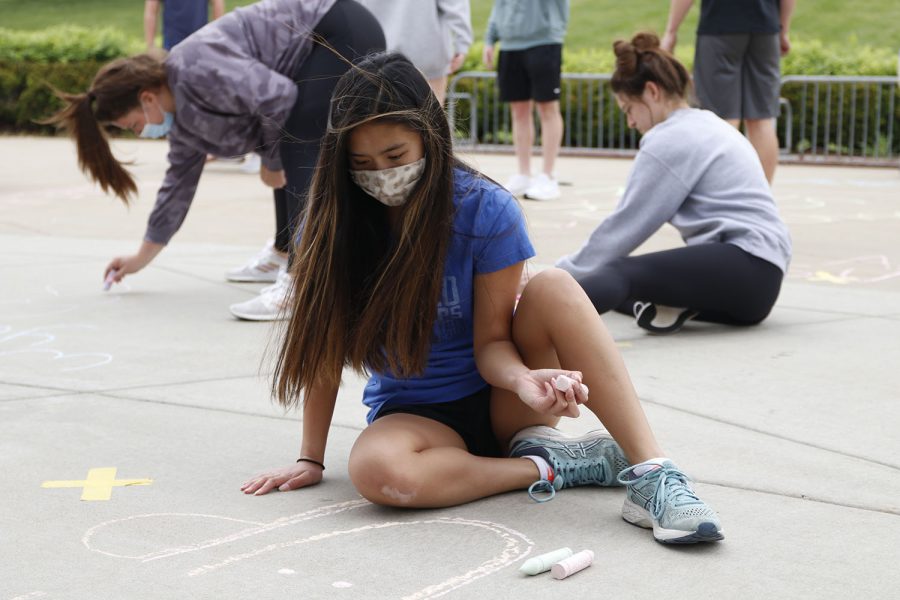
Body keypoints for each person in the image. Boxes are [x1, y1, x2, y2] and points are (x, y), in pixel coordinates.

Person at [241, 53, 724, 545]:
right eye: (361, 164)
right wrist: (310, 457)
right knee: (376, 473)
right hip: (417, 418)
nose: (381, 175)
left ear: (430, 135)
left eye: (394, 156)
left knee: (554, 286)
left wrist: (525, 380)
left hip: (507, 399)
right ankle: (553, 466)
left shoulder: (483, 208)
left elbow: (492, 342)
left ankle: (652, 474)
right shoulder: (331, 226)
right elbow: (322, 352)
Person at [44, 0, 385, 320]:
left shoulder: (195, 68)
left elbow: (278, 97)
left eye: (134, 125)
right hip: (317, 46)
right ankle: (284, 251)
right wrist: (139, 259)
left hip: (335, 30)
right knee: (283, 142)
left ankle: (302, 281)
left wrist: (272, 161)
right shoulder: (184, 126)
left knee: (292, 143)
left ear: (147, 98)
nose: (139, 133)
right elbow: (175, 189)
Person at [556, 33, 792, 335]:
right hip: (758, 286)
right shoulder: (710, 122)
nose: (630, 122)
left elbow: (624, 229)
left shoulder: (670, 138)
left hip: (744, 260)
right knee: (616, 284)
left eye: (629, 109)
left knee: (616, 273)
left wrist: (557, 278)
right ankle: (668, 307)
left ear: (652, 91)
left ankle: (539, 321)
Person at [661, 0, 795, 183]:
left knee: (722, 120)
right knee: (762, 120)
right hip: (766, 27)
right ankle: (761, 197)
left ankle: (725, 193)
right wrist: (783, 29)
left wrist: (671, 31)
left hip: (719, 26)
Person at [482, 0, 568, 201]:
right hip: (510, 44)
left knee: (548, 109)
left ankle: (547, 175)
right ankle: (523, 174)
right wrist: (490, 39)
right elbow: (499, 5)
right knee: (518, 111)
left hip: (544, 41)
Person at [357, 0, 472, 105]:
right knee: (430, 121)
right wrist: (462, 44)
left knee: (378, 119)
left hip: (375, 54)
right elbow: (455, 5)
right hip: (427, 54)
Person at [144, 0, 225, 51]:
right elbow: (151, 11)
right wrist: (151, 46)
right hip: (172, 44)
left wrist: (215, 38)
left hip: (200, 42)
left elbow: (218, 6)